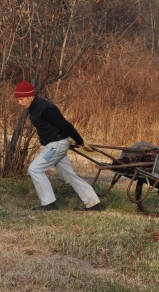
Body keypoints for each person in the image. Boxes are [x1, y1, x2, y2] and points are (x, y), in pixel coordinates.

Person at [14, 80, 101, 211]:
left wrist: (80, 141)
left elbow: (65, 125)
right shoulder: (33, 107)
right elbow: (50, 127)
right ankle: (93, 203)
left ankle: (49, 204)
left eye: (21, 99)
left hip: (56, 146)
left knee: (35, 169)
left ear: (30, 96)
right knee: (70, 175)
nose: (19, 103)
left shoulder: (46, 108)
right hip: (55, 143)